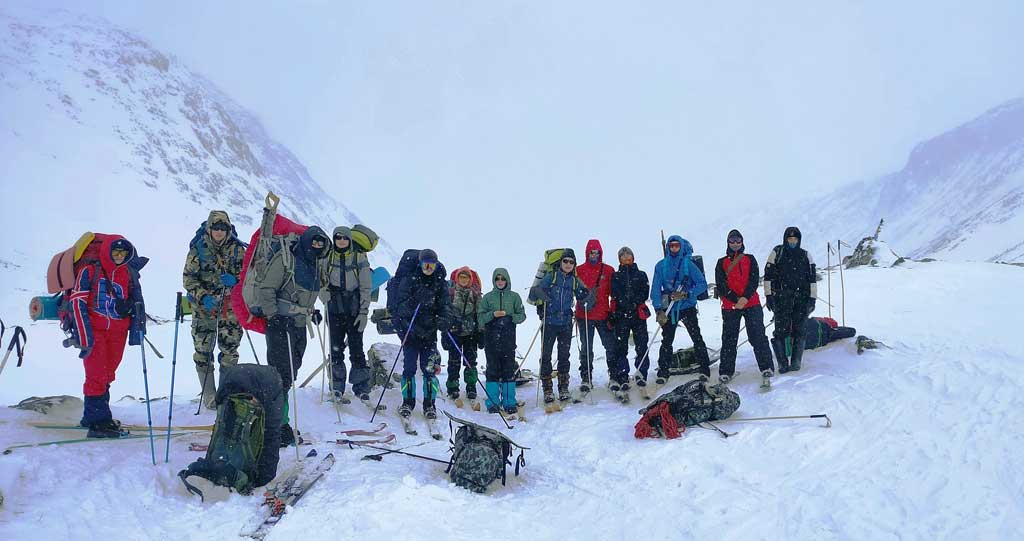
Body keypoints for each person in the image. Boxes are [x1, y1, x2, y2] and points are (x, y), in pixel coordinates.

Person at [255, 226, 330, 446]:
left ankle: (277, 422)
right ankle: (277, 426)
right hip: (280, 325)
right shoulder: (286, 260)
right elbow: (267, 289)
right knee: (280, 377)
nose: (316, 246)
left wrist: (311, 311)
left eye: (320, 244)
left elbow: (305, 296)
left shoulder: (314, 265)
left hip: (298, 326)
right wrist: (273, 315)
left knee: (289, 376)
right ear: (307, 241)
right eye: (314, 242)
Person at [72, 235, 148, 438]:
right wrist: (84, 334)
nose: (119, 256)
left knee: (108, 374)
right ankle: (99, 422)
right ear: (107, 251)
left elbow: (136, 302)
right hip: (94, 330)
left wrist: (132, 312)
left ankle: (93, 415)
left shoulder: (128, 274)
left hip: (118, 332)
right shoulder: (89, 271)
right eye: (115, 252)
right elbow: (77, 301)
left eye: (123, 253)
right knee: (96, 373)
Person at [182, 211, 246, 410]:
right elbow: (188, 279)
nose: (219, 232)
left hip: (229, 308)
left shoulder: (238, 250)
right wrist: (203, 296)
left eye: (223, 228)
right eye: (216, 228)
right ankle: (209, 394)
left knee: (229, 350)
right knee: (203, 350)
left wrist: (236, 281)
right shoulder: (198, 249)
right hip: (204, 309)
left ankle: (226, 393)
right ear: (209, 229)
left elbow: (249, 276)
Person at [389, 249, 453, 420]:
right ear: (420, 264)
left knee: (429, 370)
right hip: (410, 332)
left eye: (432, 264)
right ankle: (407, 402)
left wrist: (444, 319)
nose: (429, 268)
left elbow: (445, 305)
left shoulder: (440, 282)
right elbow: (401, 306)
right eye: (426, 264)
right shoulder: (409, 279)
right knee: (409, 369)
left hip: (430, 333)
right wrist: (417, 299)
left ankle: (429, 404)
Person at [531, 249, 593, 404]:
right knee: (546, 355)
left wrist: (586, 294)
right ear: (560, 263)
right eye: (565, 261)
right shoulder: (551, 277)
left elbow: (582, 296)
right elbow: (535, 291)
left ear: (574, 265)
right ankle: (547, 389)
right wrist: (543, 297)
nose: (568, 264)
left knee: (564, 356)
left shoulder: (574, 280)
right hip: (550, 322)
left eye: (571, 262)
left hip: (565, 323)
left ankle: (563, 388)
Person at [714, 229, 774, 384]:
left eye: (738, 241)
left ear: (742, 242)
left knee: (757, 335)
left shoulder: (750, 259)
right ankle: (726, 371)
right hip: (730, 305)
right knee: (729, 338)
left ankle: (766, 366)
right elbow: (721, 284)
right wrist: (735, 299)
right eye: (732, 241)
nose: (735, 244)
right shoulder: (721, 262)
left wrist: (745, 297)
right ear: (728, 242)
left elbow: (754, 280)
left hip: (751, 302)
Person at [321, 226, 372, 403]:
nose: (341, 240)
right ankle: (337, 387)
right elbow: (320, 279)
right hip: (334, 308)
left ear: (349, 239)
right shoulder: (327, 256)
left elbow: (366, 286)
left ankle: (361, 387)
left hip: (354, 308)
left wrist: (364, 312)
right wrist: (323, 295)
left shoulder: (359, 257)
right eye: (338, 237)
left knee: (357, 349)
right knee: (335, 349)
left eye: (344, 238)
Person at [650, 235, 709, 385]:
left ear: (681, 247)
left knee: (696, 336)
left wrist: (686, 294)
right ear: (668, 247)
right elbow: (655, 288)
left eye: (677, 245)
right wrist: (658, 310)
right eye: (672, 246)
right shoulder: (660, 266)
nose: (674, 248)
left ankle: (704, 368)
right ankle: (664, 370)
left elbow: (702, 283)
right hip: (669, 309)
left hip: (687, 306)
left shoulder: (688, 264)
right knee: (667, 339)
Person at [764, 226, 817, 373]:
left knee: (800, 330)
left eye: (795, 239)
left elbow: (812, 279)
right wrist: (768, 296)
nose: (792, 242)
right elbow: (767, 276)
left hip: (801, 299)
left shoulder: (806, 255)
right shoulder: (777, 252)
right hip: (781, 298)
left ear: (799, 240)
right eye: (790, 239)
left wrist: (812, 299)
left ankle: (796, 361)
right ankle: (782, 363)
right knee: (781, 330)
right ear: (785, 239)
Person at [477, 268, 527, 414]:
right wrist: (492, 315)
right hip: (491, 339)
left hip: (508, 339)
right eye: (497, 278)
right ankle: (493, 402)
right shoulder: (487, 298)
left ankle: (509, 402)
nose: (500, 281)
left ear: (507, 280)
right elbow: (480, 318)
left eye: (503, 278)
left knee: (508, 371)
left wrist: (510, 316)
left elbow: (522, 315)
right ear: (494, 280)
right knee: (492, 370)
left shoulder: (514, 297)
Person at [574, 239, 615, 395]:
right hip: (583, 315)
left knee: (610, 346)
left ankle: (614, 375)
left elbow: (614, 294)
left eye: (597, 252)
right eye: (592, 252)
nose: (594, 255)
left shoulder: (608, 270)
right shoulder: (578, 270)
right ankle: (586, 378)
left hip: (603, 315)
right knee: (586, 348)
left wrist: (613, 311)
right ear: (587, 253)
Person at [609, 246, 650, 391]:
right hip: (622, 316)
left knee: (642, 345)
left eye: (628, 256)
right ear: (619, 259)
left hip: (638, 315)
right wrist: (624, 306)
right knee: (621, 348)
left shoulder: (641, 274)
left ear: (633, 258)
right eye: (623, 257)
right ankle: (622, 374)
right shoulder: (615, 276)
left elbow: (645, 292)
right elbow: (615, 293)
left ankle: (641, 372)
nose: (626, 259)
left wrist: (634, 303)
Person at [443, 267, 482, 403]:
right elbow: (445, 312)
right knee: (453, 361)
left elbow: (479, 314)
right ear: (457, 279)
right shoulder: (451, 293)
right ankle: (453, 386)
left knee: (470, 361)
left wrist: (480, 332)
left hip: (470, 333)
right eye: (461, 277)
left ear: (470, 279)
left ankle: (471, 386)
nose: (463, 280)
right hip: (454, 332)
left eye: (466, 277)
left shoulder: (475, 294)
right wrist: (445, 332)